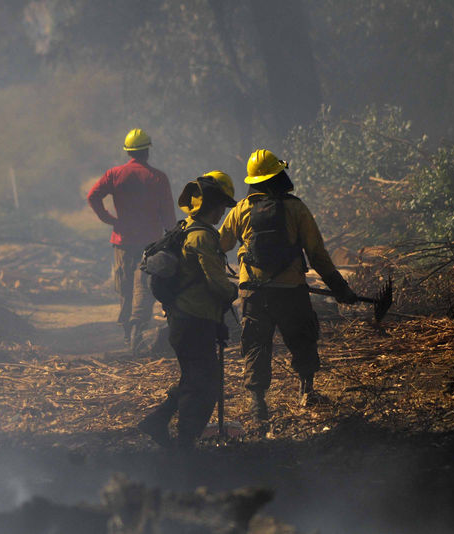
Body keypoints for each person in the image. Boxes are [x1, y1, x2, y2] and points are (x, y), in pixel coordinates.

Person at [219, 149, 357, 420]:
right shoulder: (296, 208)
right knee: (302, 338)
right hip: (291, 290)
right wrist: (339, 287)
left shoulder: (241, 209)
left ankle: (258, 403)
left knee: (255, 344)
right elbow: (317, 253)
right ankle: (307, 392)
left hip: (253, 292)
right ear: (277, 177)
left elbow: (220, 246)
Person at [137, 172, 238, 449]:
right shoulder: (203, 237)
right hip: (195, 321)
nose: (223, 212)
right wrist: (233, 291)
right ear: (213, 206)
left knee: (194, 379)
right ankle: (185, 442)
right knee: (205, 384)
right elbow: (218, 284)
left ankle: (158, 421)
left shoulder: (185, 229)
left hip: (184, 319)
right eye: (222, 206)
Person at [87, 129, 176, 353]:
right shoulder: (158, 177)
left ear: (128, 152)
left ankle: (128, 333)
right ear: (147, 151)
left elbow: (92, 196)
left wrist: (109, 219)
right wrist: (173, 238)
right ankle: (139, 326)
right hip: (152, 243)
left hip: (123, 241)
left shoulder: (115, 174)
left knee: (126, 287)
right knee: (145, 285)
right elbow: (168, 214)